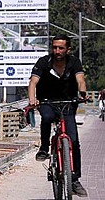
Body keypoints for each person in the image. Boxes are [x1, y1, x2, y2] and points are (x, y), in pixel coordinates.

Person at [28, 34, 88, 197]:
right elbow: (33, 82)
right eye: (54, 47)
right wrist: (32, 99)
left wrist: (82, 92)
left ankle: (74, 179)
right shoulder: (43, 62)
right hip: (47, 102)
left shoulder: (74, 62)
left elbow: (80, 80)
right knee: (46, 118)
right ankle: (44, 147)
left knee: (74, 141)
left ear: (68, 49)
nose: (57, 51)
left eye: (61, 48)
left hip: (68, 102)